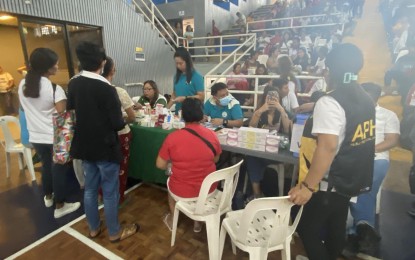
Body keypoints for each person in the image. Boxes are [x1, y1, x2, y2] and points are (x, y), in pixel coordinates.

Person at [288, 43, 376, 260]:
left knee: (307, 228)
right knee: (336, 224)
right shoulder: (366, 98)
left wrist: (308, 186)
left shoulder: (330, 102)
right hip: (351, 177)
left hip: (331, 181)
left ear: (331, 70)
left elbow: (327, 147)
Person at [67, 42, 138, 242]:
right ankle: (114, 232)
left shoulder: (73, 83)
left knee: (90, 189)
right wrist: (124, 117)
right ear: (102, 62)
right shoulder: (106, 88)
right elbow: (116, 123)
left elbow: (72, 113)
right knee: (109, 191)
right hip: (106, 147)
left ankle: (93, 228)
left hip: (84, 146)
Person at [18, 48, 81, 218]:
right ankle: (60, 206)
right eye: (55, 63)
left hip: (36, 136)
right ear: (47, 67)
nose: (57, 65)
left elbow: (25, 108)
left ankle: (48, 196)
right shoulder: (54, 89)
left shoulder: (23, 85)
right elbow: (63, 114)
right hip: (55, 137)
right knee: (59, 170)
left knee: (46, 166)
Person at [344, 82, 400, 257]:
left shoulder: (388, 115)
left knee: (363, 192)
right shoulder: (353, 113)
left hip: (377, 160)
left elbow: (392, 139)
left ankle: (360, 234)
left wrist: (370, 149)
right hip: (354, 160)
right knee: (354, 193)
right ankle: (362, 232)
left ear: (372, 96)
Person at [156, 98, 222, 232]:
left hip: (182, 191)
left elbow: (160, 165)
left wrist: (173, 163)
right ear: (201, 114)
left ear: (182, 115)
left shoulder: (173, 138)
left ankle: (173, 218)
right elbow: (215, 160)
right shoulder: (212, 135)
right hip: (209, 189)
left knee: (169, 183)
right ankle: (197, 223)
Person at [245, 84, 292, 201]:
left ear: (279, 99)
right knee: (251, 157)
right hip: (261, 149)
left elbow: (287, 130)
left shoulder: (283, 113)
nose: (272, 100)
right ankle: (257, 194)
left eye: (275, 98)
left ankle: (262, 193)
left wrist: (281, 109)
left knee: (254, 159)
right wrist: (261, 109)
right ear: (265, 98)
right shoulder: (260, 111)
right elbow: (251, 126)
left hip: (277, 150)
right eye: (269, 97)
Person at [102, 56, 136, 206]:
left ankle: (102, 195)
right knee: (121, 167)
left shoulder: (91, 91)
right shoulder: (118, 91)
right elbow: (132, 117)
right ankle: (118, 198)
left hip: (101, 136)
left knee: (103, 168)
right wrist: (121, 122)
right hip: (121, 134)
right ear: (112, 70)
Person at [167, 47, 204, 114]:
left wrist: (185, 98)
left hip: (193, 113)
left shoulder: (196, 76)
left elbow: (201, 97)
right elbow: (174, 94)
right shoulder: (176, 76)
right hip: (179, 112)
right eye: (176, 63)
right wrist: (166, 109)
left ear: (187, 61)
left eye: (181, 63)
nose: (178, 66)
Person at [384, 39, 415, 105]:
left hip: (411, 81)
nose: (413, 49)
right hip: (405, 80)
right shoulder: (402, 59)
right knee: (389, 72)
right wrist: (388, 85)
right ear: (408, 48)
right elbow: (392, 71)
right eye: (411, 47)